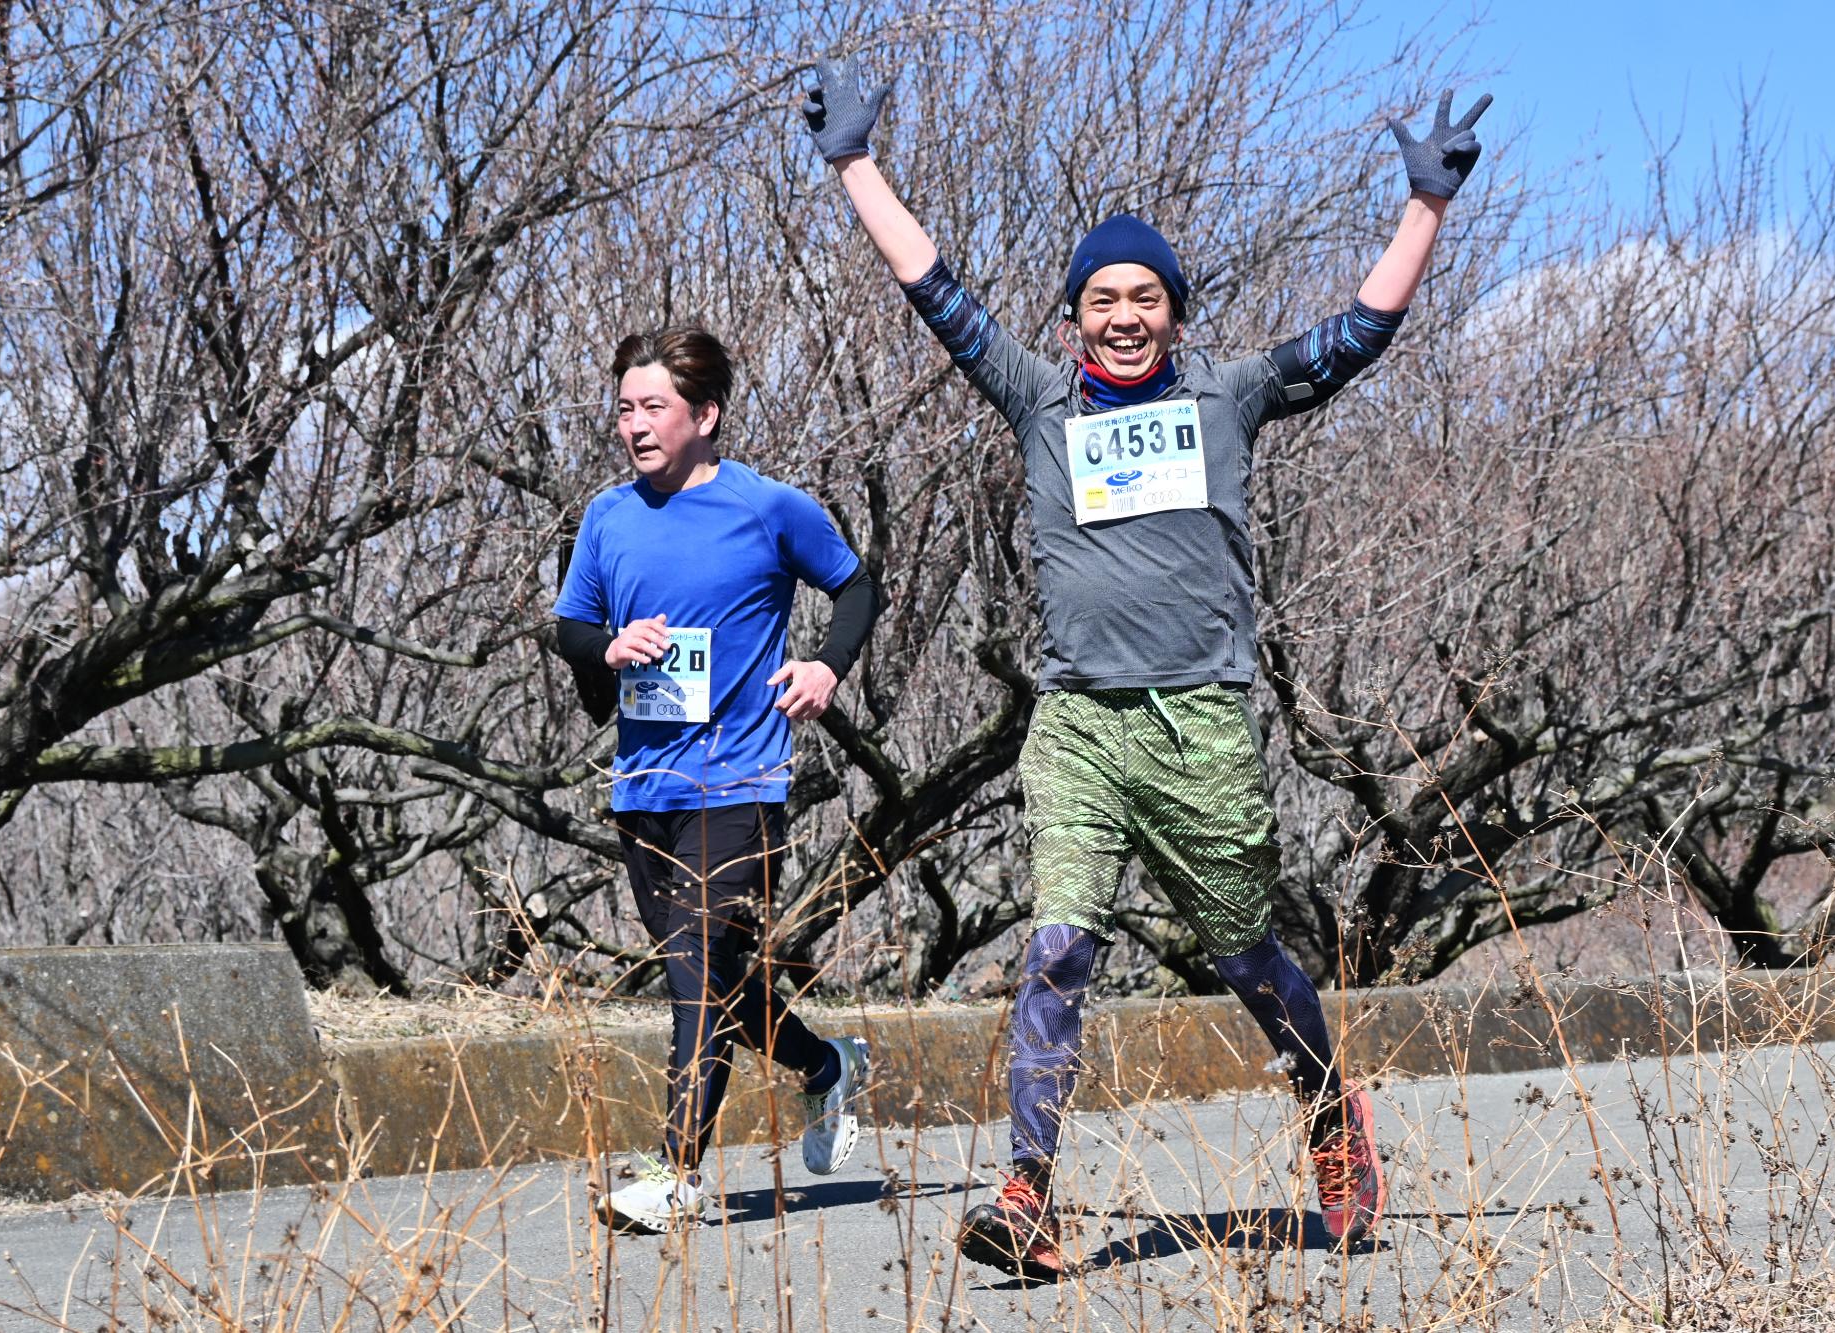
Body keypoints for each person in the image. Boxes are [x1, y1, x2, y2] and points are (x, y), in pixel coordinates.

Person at [802, 59, 1490, 1276]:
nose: (1122, 315)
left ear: (1175, 311)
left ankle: (1329, 1109)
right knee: (1058, 942)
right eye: (1100, 299)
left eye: (1144, 297)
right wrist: (856, 165)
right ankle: (1025, 1190)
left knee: (1242, 952)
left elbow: (1359, 336)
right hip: (1078, 726)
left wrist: (1423, 208)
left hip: (1201, 727)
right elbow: (933, 289)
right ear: (1072, 320)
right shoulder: (1037, 407)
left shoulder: (1229, 395)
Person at [553, 325, 883, 1233]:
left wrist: (825, 666)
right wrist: (609, 646)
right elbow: (571, 629)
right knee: (719, 978)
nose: (633, 424)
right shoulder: (608, 517)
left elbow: (857, 586)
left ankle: (675, 1170)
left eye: (652, 406)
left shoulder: (769, 507)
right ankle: (824, 1066)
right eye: (623, 407)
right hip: (643, 784)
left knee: (696, 975)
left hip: (740, 780)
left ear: (705, 414)